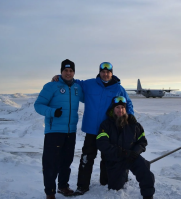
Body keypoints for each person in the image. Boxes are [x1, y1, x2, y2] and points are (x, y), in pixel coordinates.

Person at [52, 62, 136, 195]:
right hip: (91, 130)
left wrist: (129, 119)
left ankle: (105, 181)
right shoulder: (89, 84)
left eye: (108, 72)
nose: (106, 74)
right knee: (86, 158)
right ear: (100, 72)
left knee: (108, 157)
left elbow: (128, 103)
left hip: (109, 130)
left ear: (111, 73)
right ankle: (82, 186)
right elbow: (74, 81)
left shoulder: (118, 88)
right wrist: (60, 77)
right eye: (103, 72)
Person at [34, 59, 84, 199]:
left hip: (70, 131)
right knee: (51, 163)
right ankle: (50, 192)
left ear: (74, 72)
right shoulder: (51, 86)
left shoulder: (77, 88)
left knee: (66, 161)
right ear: (61, 71)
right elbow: (38, 105)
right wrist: (52, 112)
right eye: (65, 70)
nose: (68, 73)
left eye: (71, 71)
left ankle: (63, 186)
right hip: (54, 131)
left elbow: (90, 97)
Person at [96, 96, 155, 199]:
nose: (120, 110)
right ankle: (122, 174)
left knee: (145, 170)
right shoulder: (106, 125)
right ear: (113, 109)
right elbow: (102, 144)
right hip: (115, 159)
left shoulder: (134, 125)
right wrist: (122, 153)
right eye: (117, 107)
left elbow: (142, 142)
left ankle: (148, 195)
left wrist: (135, 152)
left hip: (132, 157)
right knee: (115, 187)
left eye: (122, 107)